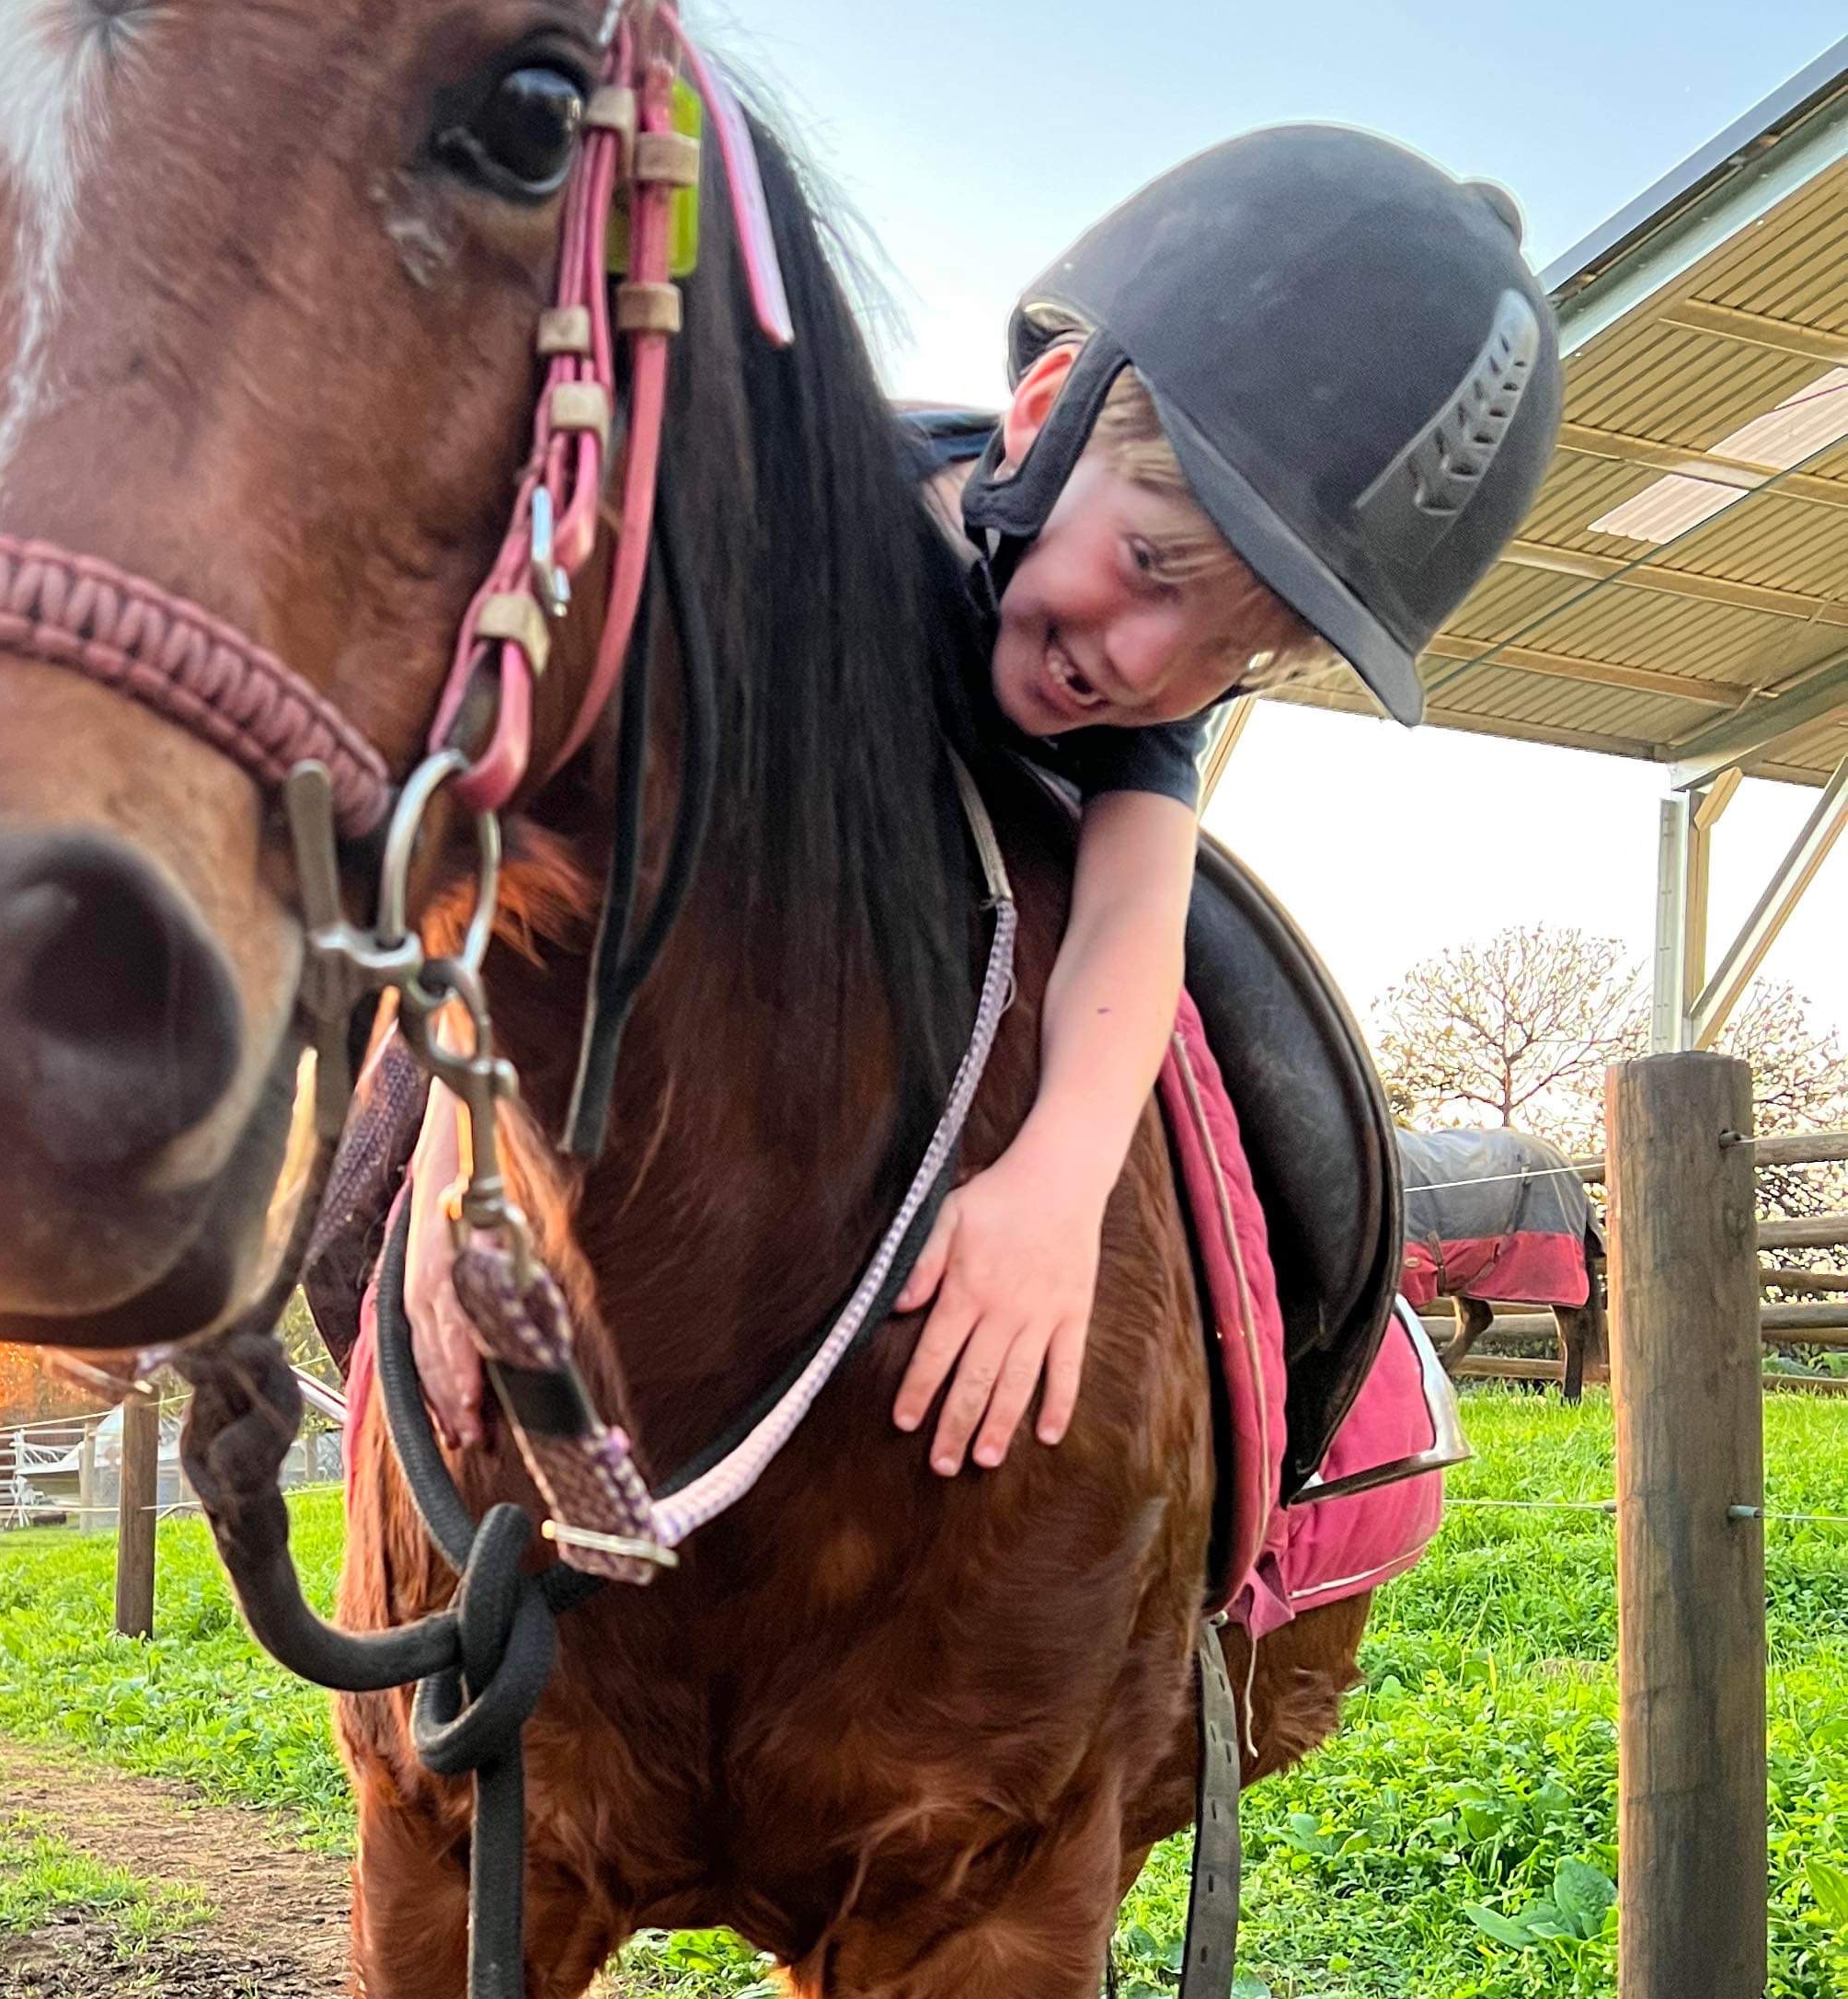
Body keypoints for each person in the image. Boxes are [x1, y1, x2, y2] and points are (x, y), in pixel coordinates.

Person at [402, 125, 1562, 1463]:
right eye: (1151, 564)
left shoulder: (1146, 703)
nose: (1146, 667)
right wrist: (462, 1149)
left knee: (1279, 1072)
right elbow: (567, 808)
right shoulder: (814, 510)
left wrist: (1061, 1191)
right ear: (1039, 417)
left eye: (1231, 655)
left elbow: (1132, 935)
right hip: (642, 913)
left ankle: (1296, 1435)